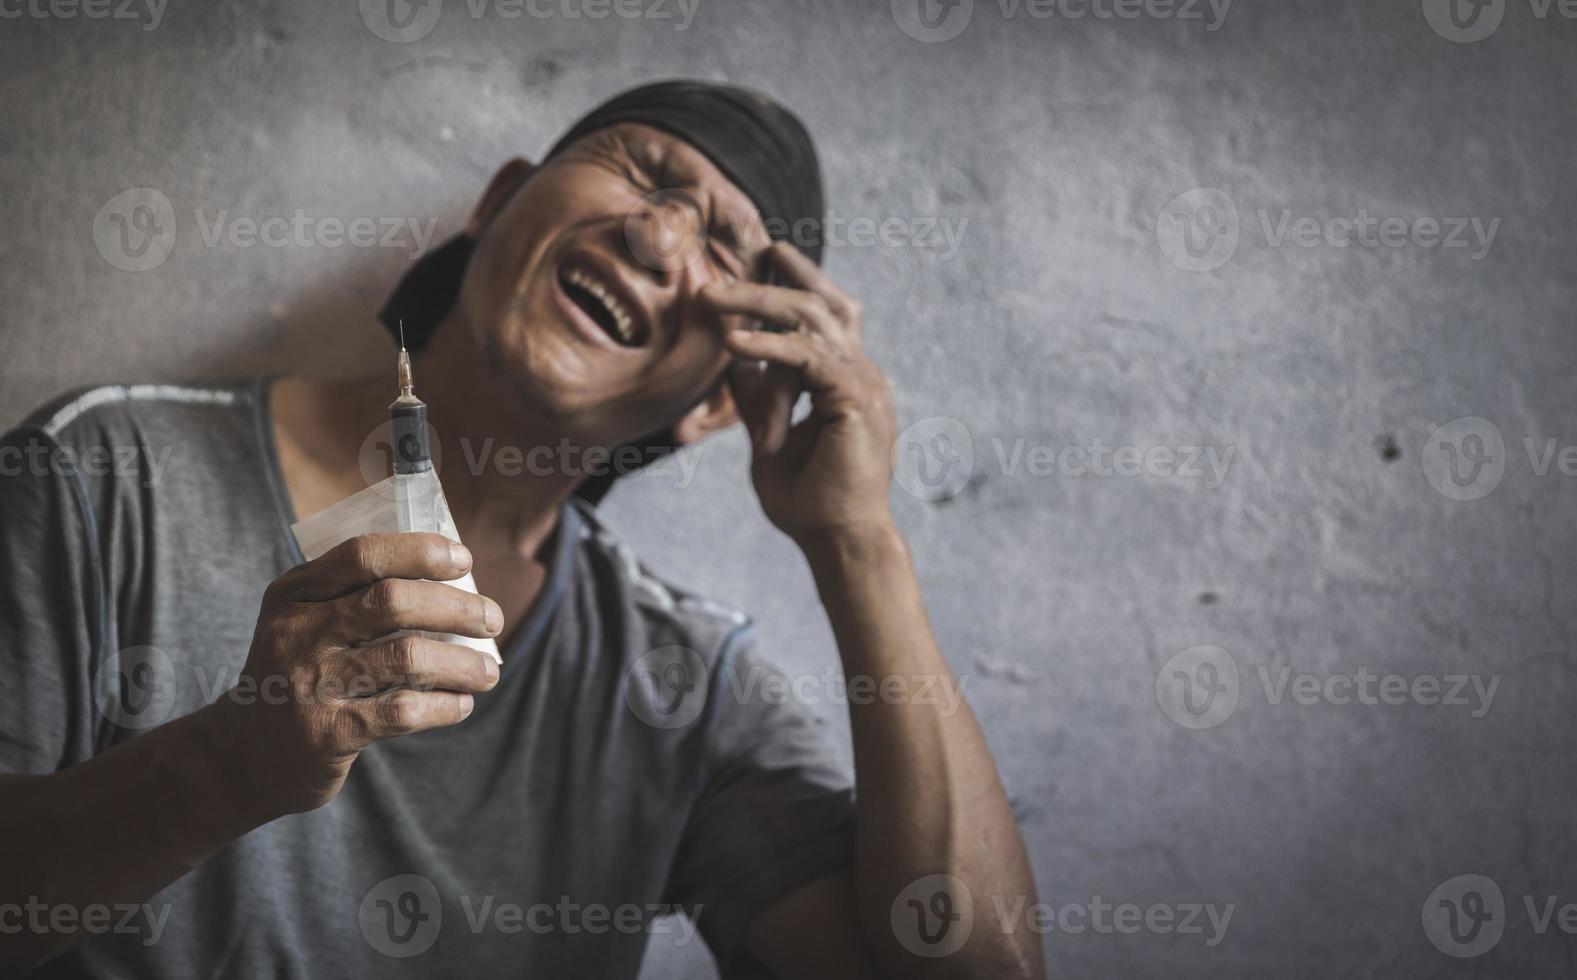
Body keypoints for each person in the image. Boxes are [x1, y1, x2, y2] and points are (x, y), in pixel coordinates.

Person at [0, 80, 1044, 978]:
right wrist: (227, 763)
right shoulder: (103, 473)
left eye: (726, 244)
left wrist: (855, 539)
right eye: (638, 169)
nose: (657, 234)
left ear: (718, 400)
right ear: (497, 200)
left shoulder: (679, 686)